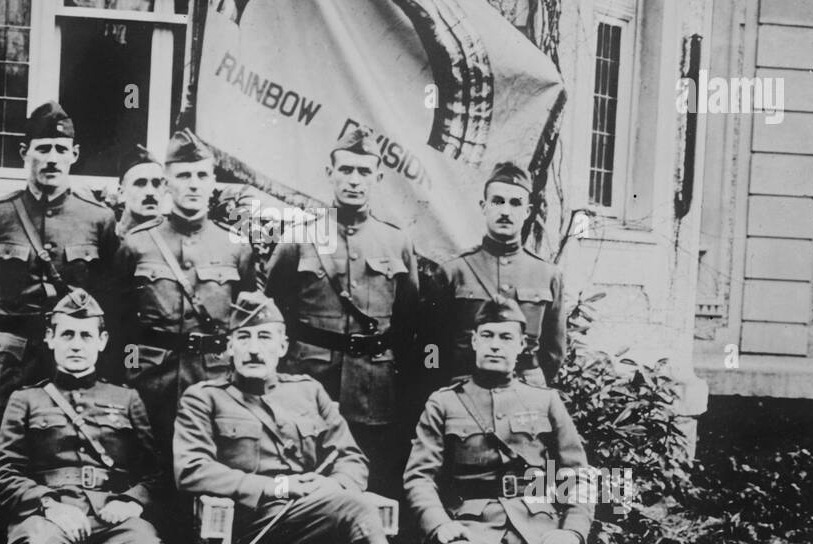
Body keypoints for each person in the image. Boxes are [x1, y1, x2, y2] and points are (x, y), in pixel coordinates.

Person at [172, 291, 486, 544]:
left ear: (283, 345)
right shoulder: (204, 399)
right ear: (230, 347)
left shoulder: (308, 391)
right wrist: (277, 487)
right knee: (356, 509)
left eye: (265, 337)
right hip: (252, 541)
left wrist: (330, 486)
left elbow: (352, 459)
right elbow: (192, 470)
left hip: (317, 533)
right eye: (245, 338)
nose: (255, 349)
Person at [404, 294, 594, 544]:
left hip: (539, 531)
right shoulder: (444, 403)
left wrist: (572, 532)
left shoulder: (546, 401)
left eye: (505, 337)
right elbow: (419, 476)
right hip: (472, 528)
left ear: (521, 346)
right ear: (473, 341)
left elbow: (580, 475)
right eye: (487, 335)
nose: (495, 344)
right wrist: (439, 523)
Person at [0, 288, 168, 544]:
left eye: (86, 335)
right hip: (46, 517)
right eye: (67, 334)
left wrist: (132, 501)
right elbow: (4, 473)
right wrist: (48, 504)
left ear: (102, 341)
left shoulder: (127, 399)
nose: (76, 344)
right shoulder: (25, 400)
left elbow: (156, 473)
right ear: (50, 338)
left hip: (111, 520)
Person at [0, 101, 118, 475]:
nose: (52, 159)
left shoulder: (98, 219)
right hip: (11, 356)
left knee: (64, 446)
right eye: (43, 148)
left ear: (74, 155)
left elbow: (110, 296)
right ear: (24, 153)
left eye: (61, 150)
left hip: (70, 353)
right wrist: (3, 343)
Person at [265, 126, 419, 495]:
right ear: (329, 173)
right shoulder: (299, 239)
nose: (354, 180)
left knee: (371, 483)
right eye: (346, 170)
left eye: (364, 172)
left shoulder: (397, 243)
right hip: (310, 382)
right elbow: (273, 312)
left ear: (378, 177)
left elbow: (409, 321)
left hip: (374, 389)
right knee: (308, 479)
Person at [114, 128, 256, 448]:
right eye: (183, 175)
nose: (193, 183)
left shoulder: (236, 247)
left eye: (201, 175)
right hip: (149, 384)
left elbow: (246, 325)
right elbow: (116, 322)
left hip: (214, 383)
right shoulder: (137, 245)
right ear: (166, 183)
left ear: (213, 183)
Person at [432, 161, 565, 386]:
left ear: (528, 211)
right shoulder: (453, 272)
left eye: (515, 203)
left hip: (525, 393)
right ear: (484, 206)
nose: (505, 211)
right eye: (497, 201)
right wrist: (437, 387)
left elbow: (554, 352)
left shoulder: (547, 275)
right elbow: (431, 344)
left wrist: (533, 391)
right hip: (464, 393)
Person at [117, 144, 164, 236]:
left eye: (156, 184)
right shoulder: (106, 240)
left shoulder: (173, 242)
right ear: (121, 193)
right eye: (140, 183)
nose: (150, 192)